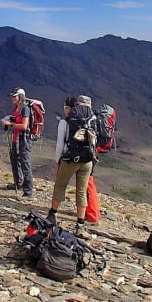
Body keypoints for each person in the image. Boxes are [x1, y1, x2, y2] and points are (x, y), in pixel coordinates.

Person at [47, 95, 96, 239]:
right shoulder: (93, 119)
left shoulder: (65, 122)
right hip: (87, 160)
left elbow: (60, 145)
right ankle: (80, 226)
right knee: (81, 191)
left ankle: (52, 215)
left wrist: (58, 161)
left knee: (60, 186)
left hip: (70, 160)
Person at [1, 87, 34, 197]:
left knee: (25, 162)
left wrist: (10, 124)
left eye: (14, 96)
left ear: (20, 96)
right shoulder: (17, 108)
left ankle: (28, 189)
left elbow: (24, 126)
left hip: (24, 139)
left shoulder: (25, 109)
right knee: (15, 160)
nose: (12, 98)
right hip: (16, 138)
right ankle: (18, 183)